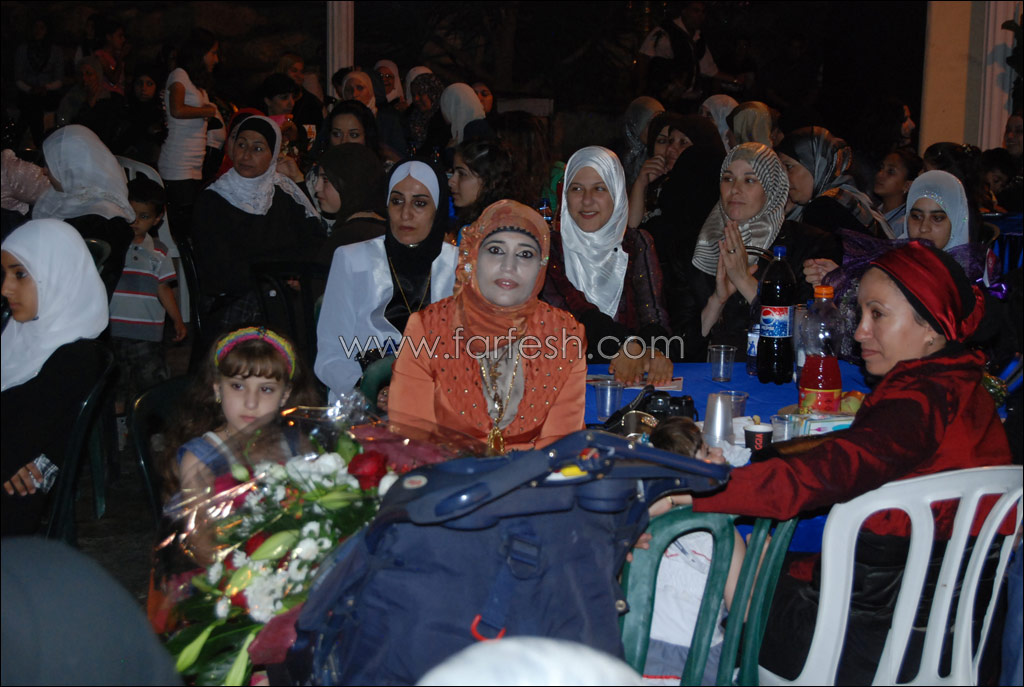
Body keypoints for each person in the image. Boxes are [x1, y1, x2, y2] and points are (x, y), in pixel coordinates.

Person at [669, 241, 1011, 683]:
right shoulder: (966, 389)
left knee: (716, 550)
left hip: (866, 650)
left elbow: (829, 471)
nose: (860, 331)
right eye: (861, 314)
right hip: (958, 639)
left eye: (878, 314)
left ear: (930, 326)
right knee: (772, 555)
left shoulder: (917, 402)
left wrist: (690, 487)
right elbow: (870, 451)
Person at [389, 199, 586, 454]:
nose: (509, 266)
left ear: (541, 266)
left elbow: (563, 445)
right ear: (473, 256)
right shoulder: (428, 329)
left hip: (537, 475)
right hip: (444, 473)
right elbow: (410, 439)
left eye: (525, 254)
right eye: (495, 250)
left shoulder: (564, 335)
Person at [315, 160, 457, 401]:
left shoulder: (459, 266)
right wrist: (368, 389)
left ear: (438, 208)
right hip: (364, 401)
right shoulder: (353, 260)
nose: (405, 214)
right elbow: (331, 354)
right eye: (397, 201)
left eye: (420, 203)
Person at [1, 220, 108, 536]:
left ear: (58, 274)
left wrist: (9, 456)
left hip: (14, 499)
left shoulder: (75, 358)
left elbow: (19, 443)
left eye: (20, 274)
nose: (5, 288)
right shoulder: (19, 333)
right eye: (5, 274)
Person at [684, 143, 839, 359]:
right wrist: (716, 301)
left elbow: (807, 337)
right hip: (714, 371)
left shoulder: (808, 244)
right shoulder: (702, 244)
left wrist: (744, 281)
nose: (735, 189)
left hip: (775, 371)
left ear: (772, 188)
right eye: (728, 179)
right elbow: (682, 347)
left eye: (749, 180)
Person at [542, 146, 673, 382]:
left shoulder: (636, 243)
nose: (587, 200)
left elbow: (653, 311)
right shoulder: (548, 247)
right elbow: (572, 311)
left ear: (617, 193)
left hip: (630, 372)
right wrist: (627, 344)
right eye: (576, 188)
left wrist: (654, 351)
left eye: (599, 188)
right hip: (562, 376)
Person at [191, 116, 322, 333]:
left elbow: (313, 240)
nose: (246, 155)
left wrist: (288, 273)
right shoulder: (213, 198)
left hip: (281, 292)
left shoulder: (283, 192)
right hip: (235, 299)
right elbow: (219, 270)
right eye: (241, 145)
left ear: (273, 155)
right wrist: (279, 272)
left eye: (258, 148)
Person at [160, 326, 319, 502]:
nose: (251, 403)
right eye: (238, 386)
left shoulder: (296, 444)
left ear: (285, 395)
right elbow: (198, 519)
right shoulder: (201, 461)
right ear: (218, 389)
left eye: (266, 389)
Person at [109, 177, 185, 420]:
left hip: (147, 334)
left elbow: (164, 288)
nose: (135, 222)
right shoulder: (112, 246)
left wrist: (177, 319)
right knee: (116, 386)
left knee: (151, 383)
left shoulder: (159, 251)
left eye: (143, 216)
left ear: (157, 218)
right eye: (130, 214)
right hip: (113, 330)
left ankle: (152, 428)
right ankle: (119, 430)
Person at [33, 124, 136, 299]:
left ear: (71, 165)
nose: (44, 170)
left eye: (50, 164)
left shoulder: (103, 221)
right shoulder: (65, 200)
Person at [158, 29, 220, 240]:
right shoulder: (179, 75)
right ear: (200, 53)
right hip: (178, 162)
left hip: (194, 162)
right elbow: (177, 109)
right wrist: (206, 111)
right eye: (213, 53)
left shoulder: (195, 82)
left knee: (189, 221)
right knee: (183, 225)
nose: (216, 59)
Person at [776, 126, 891, 239]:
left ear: (816, 165)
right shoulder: (848, 200)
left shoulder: (826, 208)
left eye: (789, 167)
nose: (783, 176)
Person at [636, 1, 740, 111]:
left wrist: (736, 80)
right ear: (684, 11)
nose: (700, 15)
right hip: (664, 101)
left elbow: (709, 69)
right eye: (695, 11)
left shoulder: (698, 39)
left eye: (703, 12)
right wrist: (641, 91)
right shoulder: (665, 32)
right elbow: (644, 58)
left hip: (688, 102)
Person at [314, 143, 387, 260]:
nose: (317, 187)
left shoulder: (346, 239)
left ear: (351, 182)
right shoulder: (384, 228)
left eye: (325, 179)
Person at [14, 18, 64, 148]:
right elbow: (18, 77)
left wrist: (45, 87)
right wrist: (30, 89)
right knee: (32, 105)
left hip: (48, 93)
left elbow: (59, 79)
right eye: (35, 27)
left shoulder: (56, 51)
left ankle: (17, 142)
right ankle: (39, 143)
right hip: (27, 92)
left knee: (32, 107)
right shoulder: (23, 49)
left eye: (41, 28)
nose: (38, 31)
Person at [449, 138, 520, 230]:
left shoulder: (499, 229)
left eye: (462, 174)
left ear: (489, 179)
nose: (451, 181)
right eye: (453, 172)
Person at [872, 147, 922, 239]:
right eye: (881, 168)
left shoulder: (904, 226)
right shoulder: (872, 211)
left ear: (907, 185)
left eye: (891, 171)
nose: (880, 174)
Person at [620, 96, 666, 188]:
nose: (657, 128)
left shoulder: (667, 151)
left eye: (660, 122)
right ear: (636, 125)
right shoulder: (617, 157)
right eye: (650, 123)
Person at [277, 52, 325, 136]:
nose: (299, 76)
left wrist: (297, 133)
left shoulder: (311, 102)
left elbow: (315, 132)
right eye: (294, 71)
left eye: (301, 72)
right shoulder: (272, 98)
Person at [405, 72, 447, 157]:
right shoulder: (410, 114)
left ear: (433, 93)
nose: (416, 99)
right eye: (413, 95)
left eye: (420, 94)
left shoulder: (443, 120)